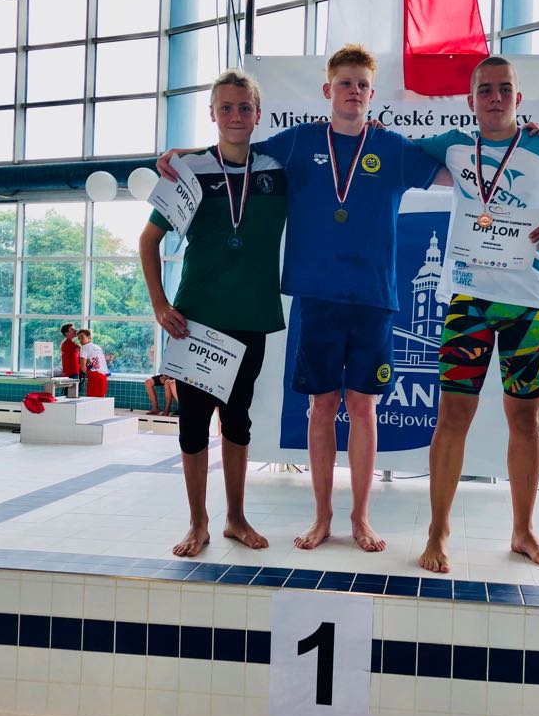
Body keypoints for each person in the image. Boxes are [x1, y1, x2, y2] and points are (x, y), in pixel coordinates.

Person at [159, 45, 447, 553]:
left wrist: (514, 141)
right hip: (317, 298)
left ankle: (360, 518)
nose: (353, 91)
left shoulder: (393, 147)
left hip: (374, 299)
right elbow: (236, 148)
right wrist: (179, 155)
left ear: (372, 94)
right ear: (327, 90)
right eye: (345, 83)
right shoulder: (298, 142)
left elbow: (457, 172)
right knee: (321, 407)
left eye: (362, 84)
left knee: (363, 408)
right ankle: (322, 517)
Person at [414, 56, 539, 573]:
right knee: (452, 418)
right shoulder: (452, 145)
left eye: (504, 89)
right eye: (485, 90)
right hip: (468, 301)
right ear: (471, 100)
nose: (495, 97)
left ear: (518, 97)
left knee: (526, 420)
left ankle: (523, 530)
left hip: (529, 303)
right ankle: (438, 530)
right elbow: (389, 148)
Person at [140, 68, 287, 557]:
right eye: (226, 107)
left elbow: (330, 149)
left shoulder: (276, 169)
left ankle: (236, 518)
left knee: (238, 421)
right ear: (212, 114)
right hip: (195, 320)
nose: (236, 116)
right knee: (192, 424)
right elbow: (149, 240)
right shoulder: (189, 172)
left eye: (244, 107)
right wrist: (160, 304)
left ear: (258, 114)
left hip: (251, 318)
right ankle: (198, 522)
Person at [77, 329, 109, 398]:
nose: (80, 340)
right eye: (79, 338)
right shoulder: (98, 347)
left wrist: (89, 374)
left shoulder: (84, 347)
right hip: (103, 376)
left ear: (89, 337)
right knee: (101, 399)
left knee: (91, 399)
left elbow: (82, 367)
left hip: (94, 375)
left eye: (82, 337)